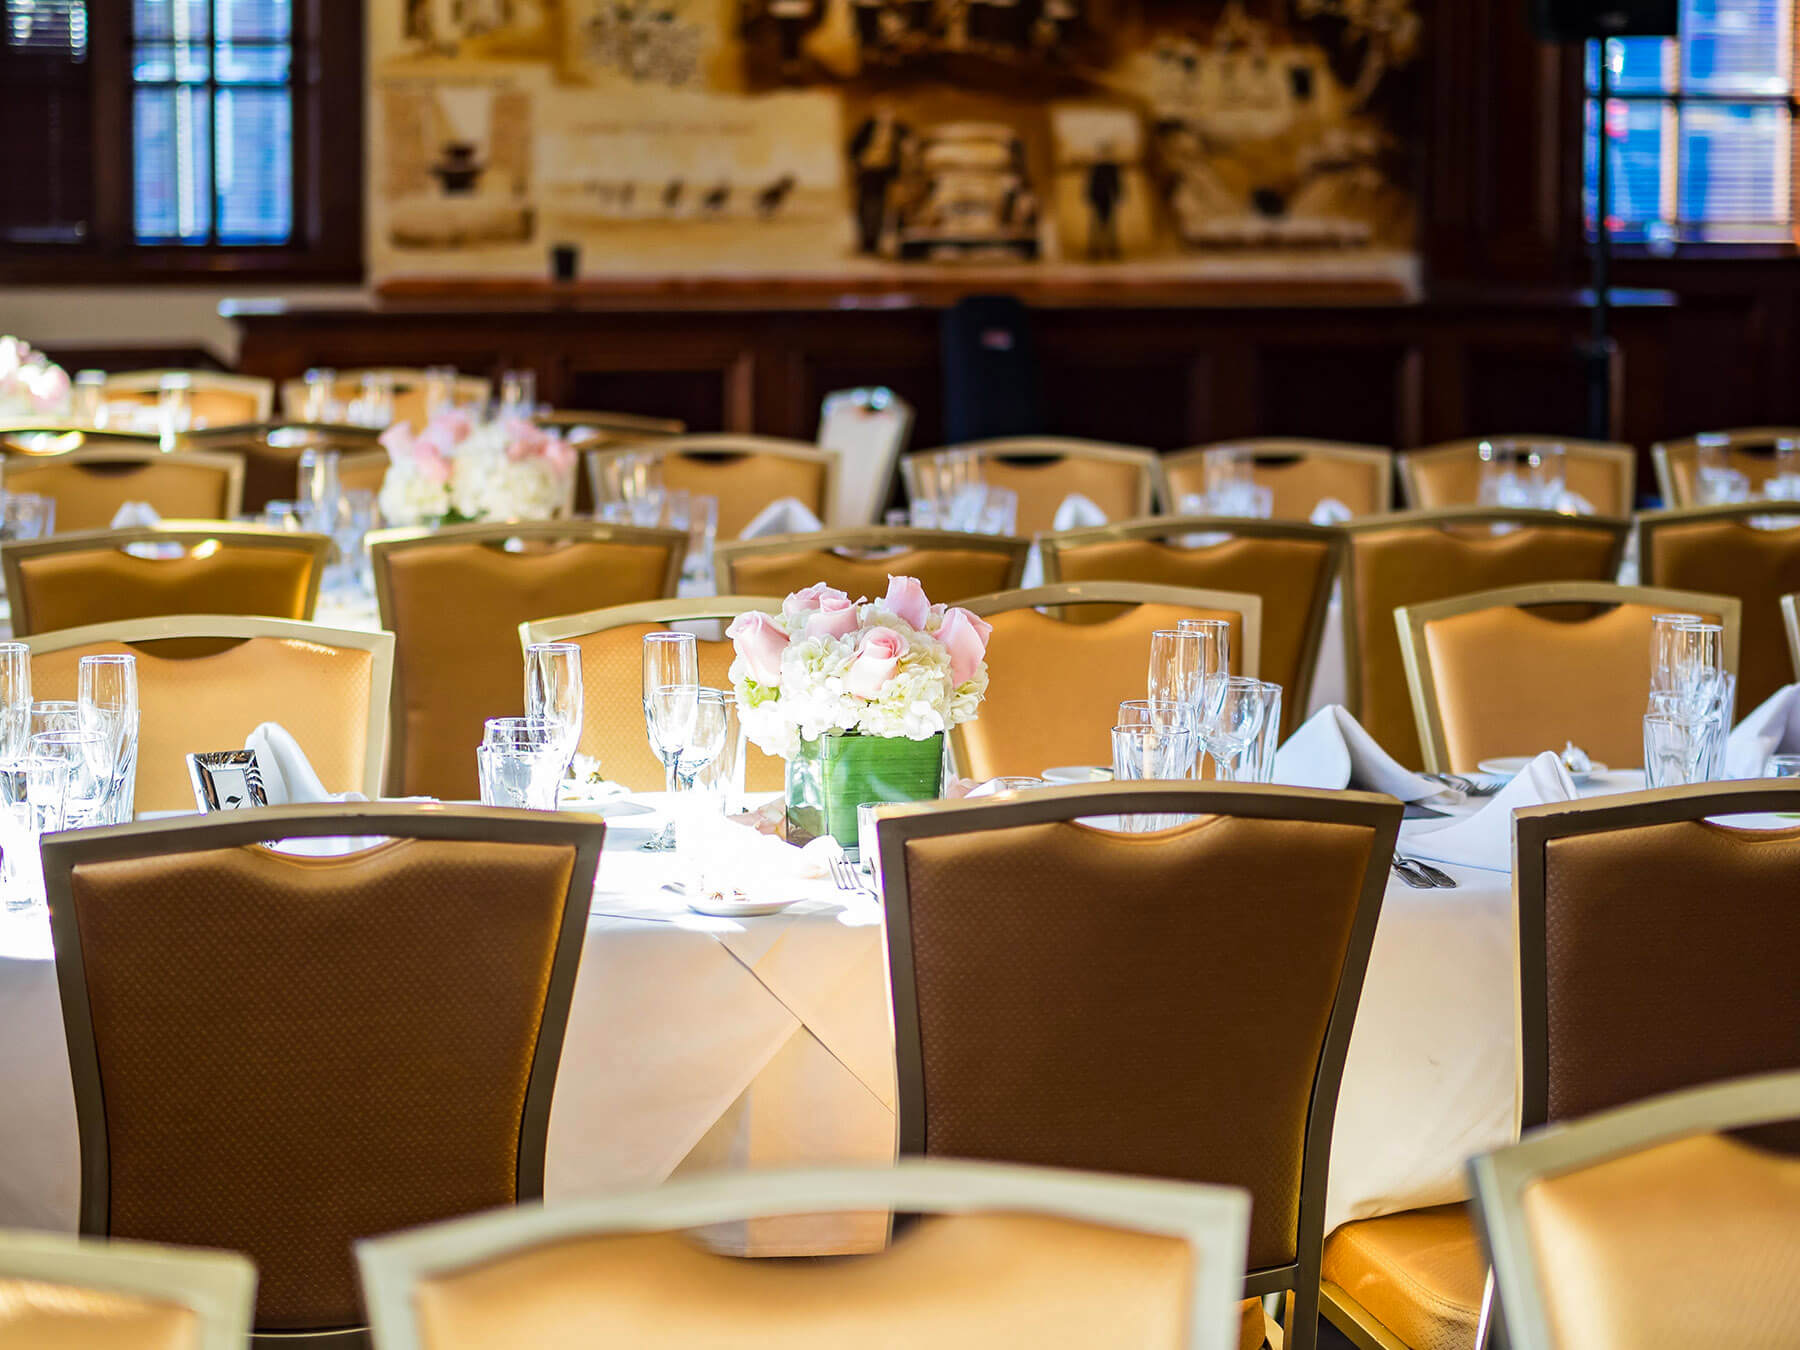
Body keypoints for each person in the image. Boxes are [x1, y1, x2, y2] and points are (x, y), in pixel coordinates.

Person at [848, 104, 911, 256]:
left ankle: (899, 242)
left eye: (888, 111)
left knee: (895, 208)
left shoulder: (900, 128)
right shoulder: (867, 127)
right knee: (869, 208)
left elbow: (910, 145)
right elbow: (852, 147)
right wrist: (860, 162)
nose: (885, 115)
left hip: (890, 174)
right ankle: (869, 242)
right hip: (869, 172)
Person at [1085, 141, 1123, 261]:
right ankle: (1095, 250)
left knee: (1110, 226)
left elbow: (1116, 183)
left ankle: (1111, 249)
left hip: (1108, 199)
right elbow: (1090, 184)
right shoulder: (1095, 167)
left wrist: (1118, 196)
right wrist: (1089, 197)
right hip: (1097, 199)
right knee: (1096, 226)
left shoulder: (1112, 167)